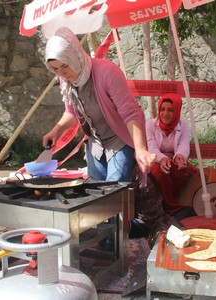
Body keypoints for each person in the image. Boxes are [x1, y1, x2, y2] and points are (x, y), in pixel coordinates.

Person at [42, 27, 155, 182]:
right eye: (55, 69)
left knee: (113, 190)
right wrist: (56, 130)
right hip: (95, 143)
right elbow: (72, 112)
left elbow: (130, 112)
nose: (62, 73)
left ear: (75, 56)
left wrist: (141, 149)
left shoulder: (108, 72)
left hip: (119, 139)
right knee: (95, 193)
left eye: (65, 65)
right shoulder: (66, 81)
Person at [146, 93, 197, 220]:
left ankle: (183, 201)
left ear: (177, 111)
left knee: (188, 171)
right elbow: (151, 148)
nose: (165, 113)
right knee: (158, 171)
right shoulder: (150, 125)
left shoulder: (183, 126)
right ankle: (171, 207)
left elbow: (184, 146)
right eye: (162, 109)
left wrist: (180, 156)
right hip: (155, 159)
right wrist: (162, 158)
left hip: (174, 160)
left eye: (170, 110)